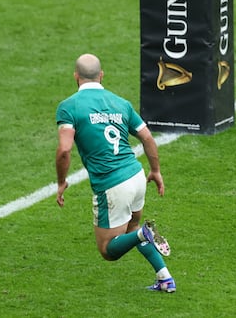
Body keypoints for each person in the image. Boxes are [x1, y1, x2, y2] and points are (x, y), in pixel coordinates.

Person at [55, 54, 175, 293]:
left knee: (108, 250)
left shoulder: (69, 106)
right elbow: (147, 138)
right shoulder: (120, 103)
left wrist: (61, 182)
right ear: (102, 75)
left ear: (75, 77)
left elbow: (64, 150)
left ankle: (145, 234)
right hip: (136, 175)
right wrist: (156, 170)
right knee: (131, 229)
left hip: (111, 185)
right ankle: (165, 278)